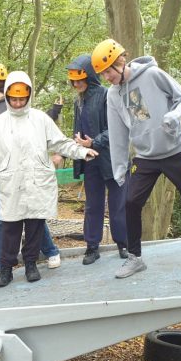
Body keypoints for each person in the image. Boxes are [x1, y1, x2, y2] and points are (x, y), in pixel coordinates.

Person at [0, 71, 97, 287]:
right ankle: (6, 268)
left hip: (37, 182)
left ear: (28, 96)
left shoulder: (40, 119)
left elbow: (60, 143)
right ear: (7, 96)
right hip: (12, 183)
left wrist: (82, 152)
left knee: (35, 224)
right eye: (13, 99)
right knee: (10, 227)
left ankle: (31, 264)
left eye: (22, 99)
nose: (17, 103)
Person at [92, 39, 181, 279]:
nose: (106, 78)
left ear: (120, 62)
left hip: (176, 150)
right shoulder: (114, 95)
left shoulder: (152, 75)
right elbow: (118, 132)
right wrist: (119, 168)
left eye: (108, 72)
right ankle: (135, 259)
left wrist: (174, 116)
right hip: (145, 157)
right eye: (102, 74)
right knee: (131, 203)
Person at [0, 63, 63, 279]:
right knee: (8, 219)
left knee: (28, 216)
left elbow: (38, 127)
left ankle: (36, 256)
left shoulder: (8, 109)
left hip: (12, 174)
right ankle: (2, 263)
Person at [67, 53, 128, 265]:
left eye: (80, 79)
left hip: (112, 157)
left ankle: (124, 244)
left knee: (118, 204)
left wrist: (94, 142)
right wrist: (76, 147)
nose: (76, 83)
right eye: (73, 80)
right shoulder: (78, 101)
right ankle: (92, 247)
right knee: (93, 205)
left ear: (90, 76)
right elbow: (79, 131)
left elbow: (116, 127)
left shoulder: (107, 94)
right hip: (90, 160)